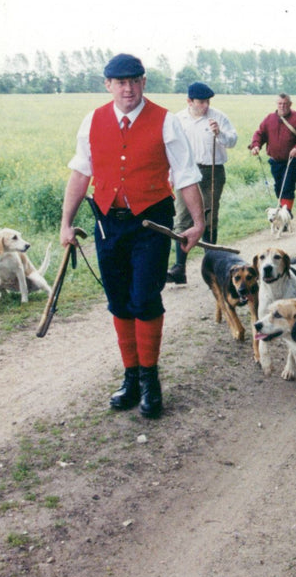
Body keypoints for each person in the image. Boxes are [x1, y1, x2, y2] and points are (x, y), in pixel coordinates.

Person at [59, 53, 205, 418]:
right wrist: (66, 223)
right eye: (120, 82)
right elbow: (80, 173)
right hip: (108, 223)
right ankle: (131, 378)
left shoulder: (166, 122)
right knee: (119, 299)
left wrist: (198, 223)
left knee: (145, 298)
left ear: (143, 83)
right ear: (108, 85)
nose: (128, 88)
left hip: (150, 223)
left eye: (135, 80)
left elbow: (186, 175)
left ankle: (151, 380)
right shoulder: (92, 121)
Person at [166, 81, 238, 285]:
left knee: (209, 218)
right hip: (185, 172)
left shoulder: (218, 117)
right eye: (201, 102)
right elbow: (171, 149)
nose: (205, 106)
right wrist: (171, 174)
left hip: (212, 171)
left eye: (207, 102)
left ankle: (212, 269)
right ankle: (179, 268)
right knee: (182, 218)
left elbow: (232, 140)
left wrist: (219, 134)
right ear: (189, 101)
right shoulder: (178, 119)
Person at [249, 93, 296, 214]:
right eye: (280, 103)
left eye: (285, 104)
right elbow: (260, 133)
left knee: (287, 186)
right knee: (278, 187)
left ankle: (286, 214)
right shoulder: (269, 119)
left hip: (294, 160)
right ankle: (284, 211)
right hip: (275, 161)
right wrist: (256, 145)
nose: (282, 106)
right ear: (276, 104)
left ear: (290, 104)